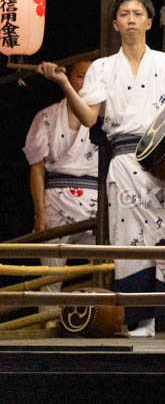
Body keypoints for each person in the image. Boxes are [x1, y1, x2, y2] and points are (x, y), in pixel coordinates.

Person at [38, 0, 165, 338]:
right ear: (116, 24)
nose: (131, 18)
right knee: (130, 241)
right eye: (124, 14)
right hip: (125, 158)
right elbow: (88, 118)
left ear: (149, 21)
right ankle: (142, 318)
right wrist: (66, 83)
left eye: (137, 13)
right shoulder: (102, 68)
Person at [23, 59, 99, 289]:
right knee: (50, 275)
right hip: (55, 200)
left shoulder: (104, 118)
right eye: (80, 76)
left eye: (91, 77)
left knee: (104, 268)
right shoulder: (46, 116)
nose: (85, 83)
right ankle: (46, 323)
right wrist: (39, 213)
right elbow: (36, 168)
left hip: (94, 202)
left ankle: (104, 322)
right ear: (68, 77)